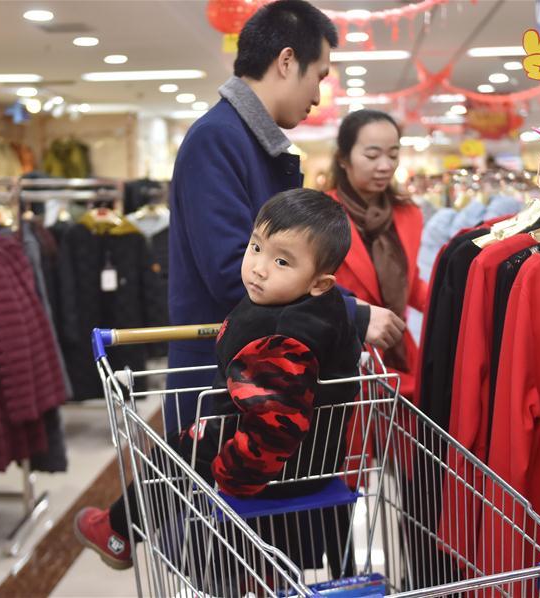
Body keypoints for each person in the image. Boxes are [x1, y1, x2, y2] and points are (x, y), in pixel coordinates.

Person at [75, 0, 404, 567]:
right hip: (226, 373)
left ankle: (122, 529)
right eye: (319, 75)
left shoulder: (253, 143)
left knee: (262, 550)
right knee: (222, 554)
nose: (319, 93)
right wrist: (350, 313)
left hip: (256, 371)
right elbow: (237, 268)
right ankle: (124, 529)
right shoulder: (219, 140)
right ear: (286, 61)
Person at [76, 189, 362, 575]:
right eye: (256, 247)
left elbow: (276, 426)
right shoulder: (316, 307)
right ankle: (118, 527)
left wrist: (233, 476)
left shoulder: (282, 337)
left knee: (172, 456)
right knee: (178, 448)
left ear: (320, 283)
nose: (259, 268)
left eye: (281, 261)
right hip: (313, 458)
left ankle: (117, 532)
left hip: (272, 468)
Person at [328, 109, 428, 398]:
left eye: (393, 155)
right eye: (372, 156)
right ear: (343, 158)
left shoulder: (408, 214)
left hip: (398, 353)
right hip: (345, 357)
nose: (385, 165)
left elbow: (410, 282)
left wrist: (458, 303)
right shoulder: (321, 215)